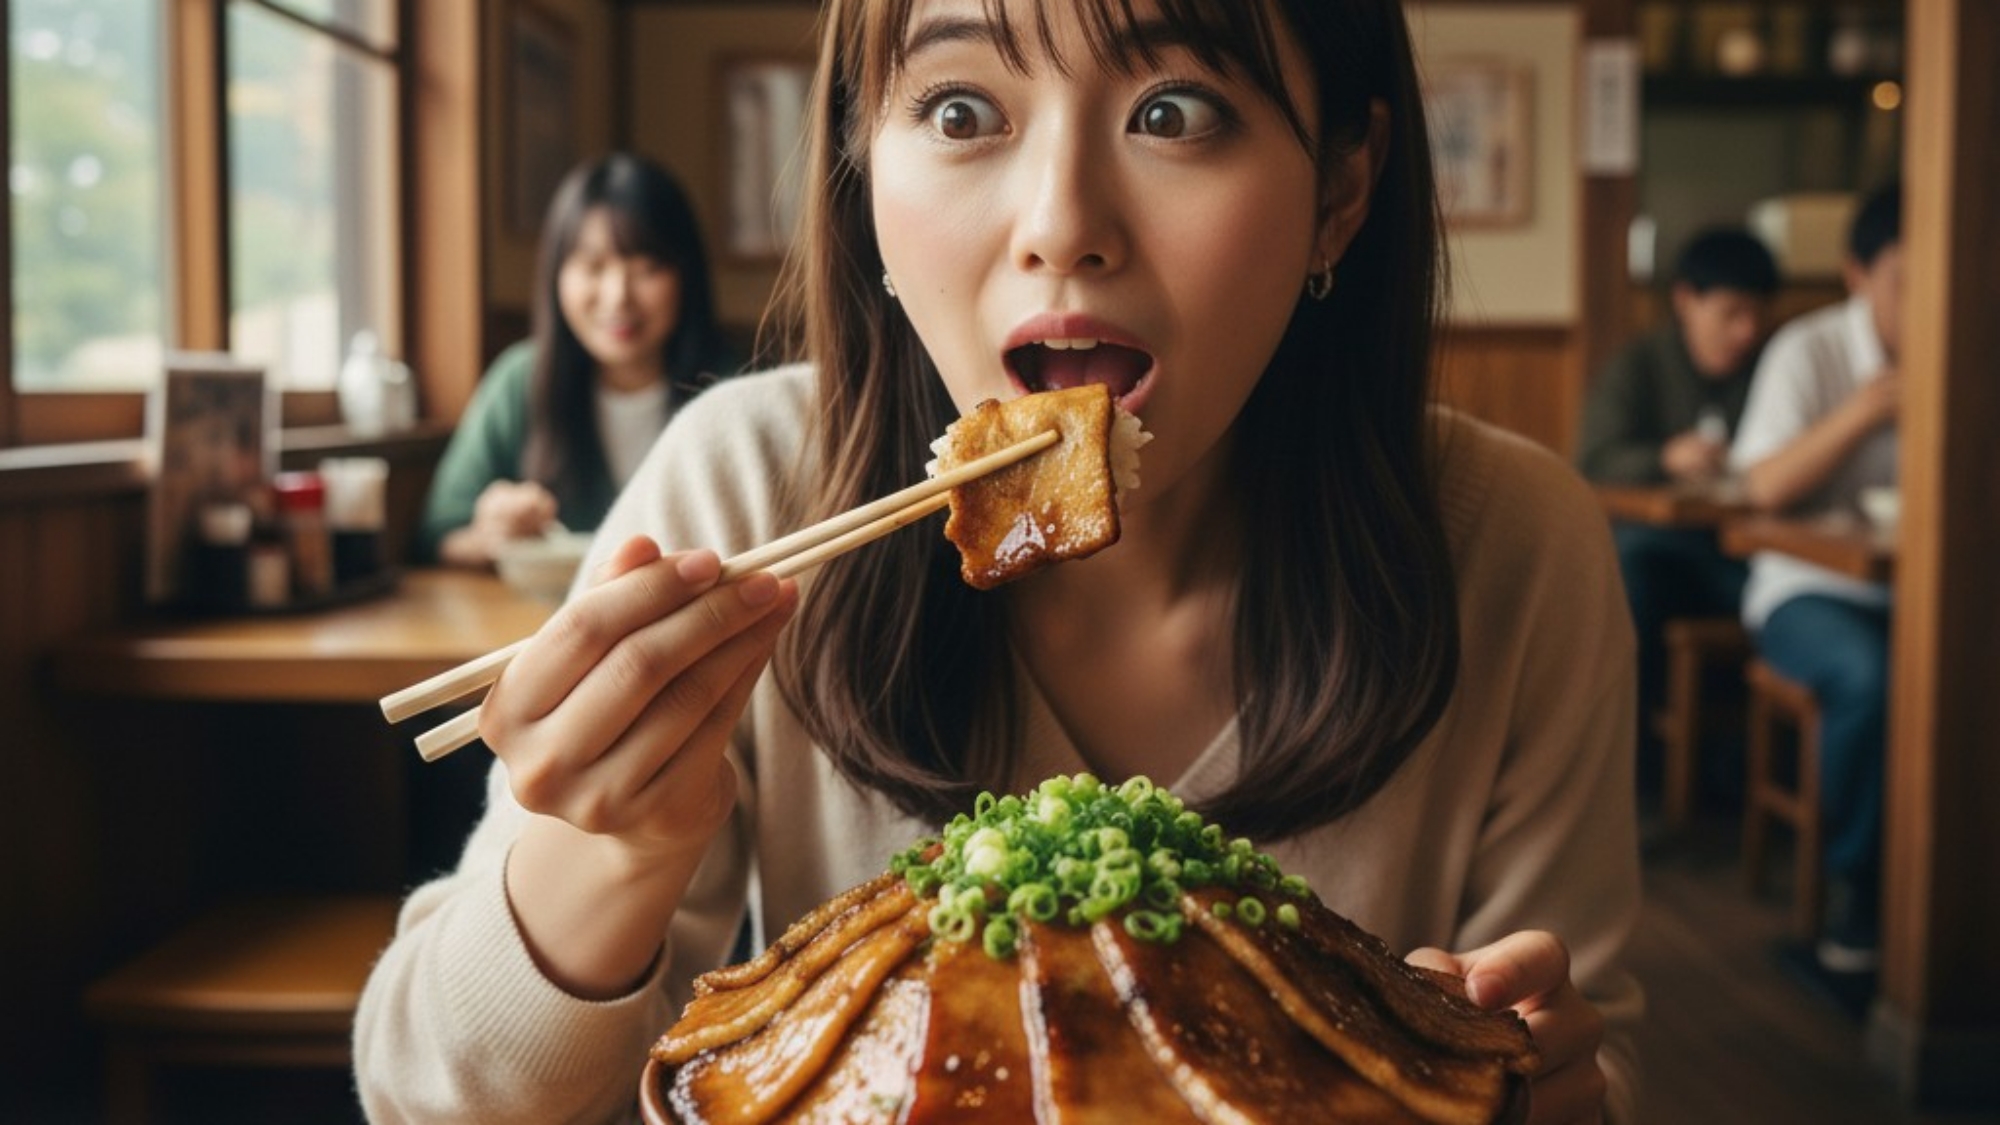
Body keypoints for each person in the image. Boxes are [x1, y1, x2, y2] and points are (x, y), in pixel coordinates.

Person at [356, 2, 1643, 1122]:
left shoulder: (1508, 546)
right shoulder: (741, 493)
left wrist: (1550, 1076)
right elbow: (429, 1095)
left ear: (1341, 189)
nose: (1060, 226)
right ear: (865, 170)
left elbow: (1582, 1058)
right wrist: (612, 854)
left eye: (1174, 109)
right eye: (963, 107)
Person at [1729, 182, 1902, 975]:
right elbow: (1761, 486)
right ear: (1857, 273)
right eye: (1907, 278)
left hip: (1918, 593)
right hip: (1805, 591)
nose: (1927, 298)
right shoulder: (1810, 348)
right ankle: (1858, 899)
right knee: (1871, 678)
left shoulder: (1969, 344)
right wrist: (1867, 412)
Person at [417, 152, 734, 567]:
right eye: (593, 266)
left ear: (686, 276)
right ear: (557, 276)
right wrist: (489, 535)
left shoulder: (734, 389)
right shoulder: (521, 381)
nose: (618, 294)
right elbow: (438, 533)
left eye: (646, 267)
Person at [1575, 227, 1779, 795]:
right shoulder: (1639, 365)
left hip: (1746, 551)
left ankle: (1739, 774)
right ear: (1686, 300)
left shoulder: (1772, 366)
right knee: (1629, 571)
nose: (1747, 331)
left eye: (1757, 315)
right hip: (1662, 551)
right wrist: (1666, 456)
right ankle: (1628, 777)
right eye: (1732, 313)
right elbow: (1591, 459)